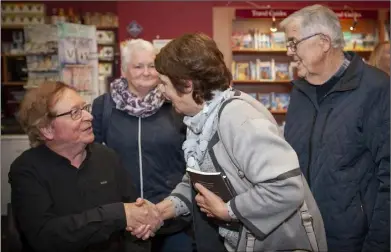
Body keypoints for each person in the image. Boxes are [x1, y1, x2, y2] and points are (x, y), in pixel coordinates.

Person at [140, 32, 327, 252]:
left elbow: (286, 188)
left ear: (187, 85)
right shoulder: (202, 119)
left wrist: (228, 211)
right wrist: (160, 212)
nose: (161, 91)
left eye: (164, 83)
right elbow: (201, 179)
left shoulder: (239, 119)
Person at [279, 4, 390, 252]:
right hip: (302, 236)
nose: (289, 52)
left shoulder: (376, 89)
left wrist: (378, 245)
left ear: (324, 42)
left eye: (294, 43)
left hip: (353, 241)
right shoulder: (299, 92)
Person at [9, 81, 163, 252]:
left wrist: (143, 226)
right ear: (46, 129)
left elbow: (134, 216)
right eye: (75, 112)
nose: (89, 117)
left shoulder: (106, 157)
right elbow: (45, 236)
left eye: (85, 108)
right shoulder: (27, 170)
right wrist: (117, 215)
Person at [91, 39, 193, 252]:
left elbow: (191, 155)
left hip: (173, 215)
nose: (146, 72)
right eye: (138, 66)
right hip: (124, 217)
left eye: (151, 66)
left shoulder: (175, 103)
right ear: (124, 70)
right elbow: (93, 157)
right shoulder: (104, 106)